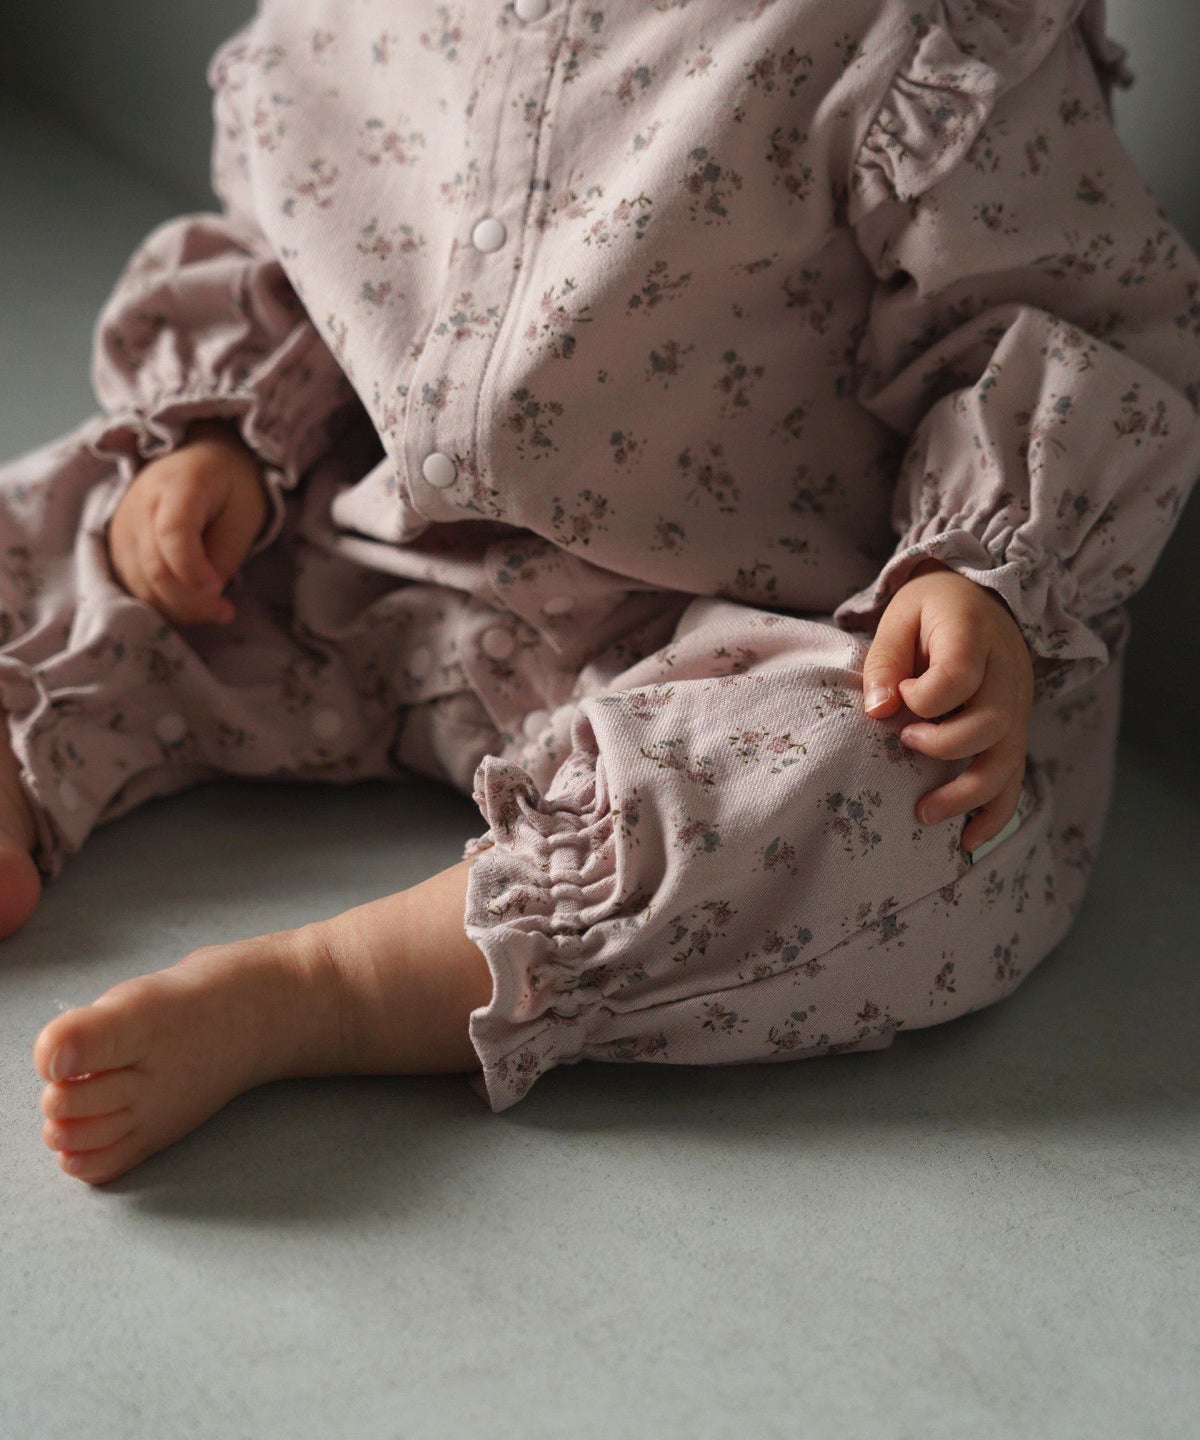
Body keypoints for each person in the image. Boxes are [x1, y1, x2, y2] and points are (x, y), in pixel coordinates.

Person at [3, 0, 1196, 1185]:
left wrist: (977, 570)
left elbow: (1051, 318)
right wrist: (224, 430)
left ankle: (336, 990)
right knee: (89, 525)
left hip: (750, 635)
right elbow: (296, 232)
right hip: (371, 549)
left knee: (910, 784)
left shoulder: (914, 34)